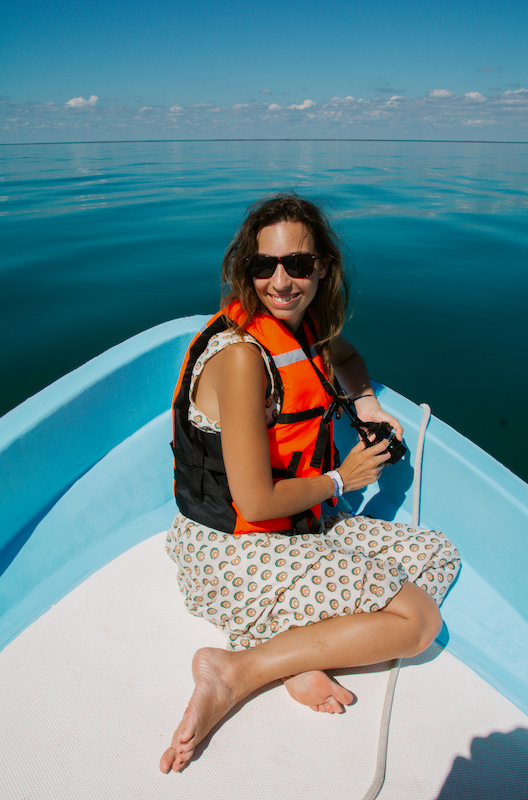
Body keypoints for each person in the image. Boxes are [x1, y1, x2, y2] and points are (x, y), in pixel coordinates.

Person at [161, 193, 460, 773]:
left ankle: (291, 653)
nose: (281, 281)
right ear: (246, 270)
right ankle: (236, 671)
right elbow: (253, 500)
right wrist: (340, 478)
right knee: (420, 624)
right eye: (264, 265)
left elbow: (346, 360)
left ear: (322, 266)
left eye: (297, 264)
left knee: (434, 554)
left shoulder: (307, 326)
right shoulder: (244, 357)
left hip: (301, 528)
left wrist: (367, 403)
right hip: (233, 550)